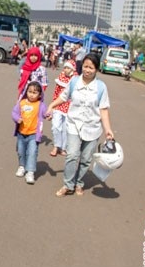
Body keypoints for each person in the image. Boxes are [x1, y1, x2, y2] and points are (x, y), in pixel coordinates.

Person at [45, 53, 114, 197]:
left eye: (91, 67)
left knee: (86, 159)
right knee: (71, 155)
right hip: (74, 124)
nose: (87, 70)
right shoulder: (74, 82)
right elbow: (63, 97)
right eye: (85, 66)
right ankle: (68, 185)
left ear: (96, 69)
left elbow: (103, 110)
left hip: (92, 127)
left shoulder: (101, 87)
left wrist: (108, 130)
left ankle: (79, 183)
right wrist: (51, 105)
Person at [12, 81, 47, 184]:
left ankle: (30, 172)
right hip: (21, 133)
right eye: (30, 91)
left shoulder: (41, 105)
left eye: (35, 92)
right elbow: (14, 112)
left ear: (40, 94)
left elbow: (46, 113)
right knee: (21, 152)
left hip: (33, 134)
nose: (32, 94)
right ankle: (22, 166)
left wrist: (49, 115)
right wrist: (17, 118)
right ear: (26, 92)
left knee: (32, 152)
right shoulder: (21, 103)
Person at [49, 60, 76, 157]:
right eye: (65, 67)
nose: (65, 70)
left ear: (72, 69)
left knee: (66, 128)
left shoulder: (76, 79)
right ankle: (56, 146)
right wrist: (52, 106)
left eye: (68, 68)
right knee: (56, 126)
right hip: (58, 105)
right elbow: (56, 93)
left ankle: (63, 148)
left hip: (70, 107)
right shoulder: (61, 77)